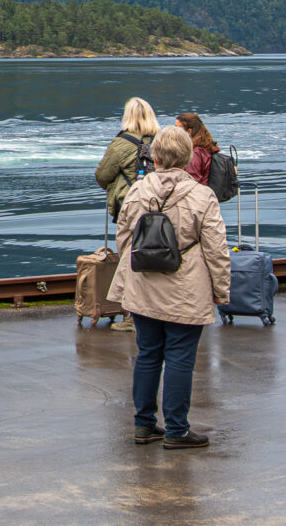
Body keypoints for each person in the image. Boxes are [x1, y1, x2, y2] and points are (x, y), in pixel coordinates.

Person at [108, 125, 230, 450]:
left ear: (155, 156)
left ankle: (144, 425)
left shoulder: (136, 192)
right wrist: (221, 290)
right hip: (186, 290)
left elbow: (123, 240)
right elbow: (217, 251)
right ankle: (176, 430)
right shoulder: (203, 196)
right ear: (188, 157)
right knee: (179, 358)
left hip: (142, 286)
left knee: (148, 355)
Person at [94, 97, 160, 331]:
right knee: (162, 255)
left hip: (131, 207)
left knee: (129, 259)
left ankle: (132, 317)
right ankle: (159, 311)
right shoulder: (162, 139)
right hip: (163, 206)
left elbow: (102, 175)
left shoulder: (120, 144)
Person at [176, 112, 220, 186]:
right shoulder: (208, 146)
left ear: (189, 131)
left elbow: (192, 180)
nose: (175, 131)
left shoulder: (195, 152)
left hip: (198, 195)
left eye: (177, 128)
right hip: (209, 193)